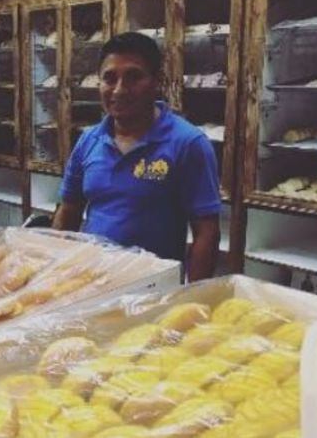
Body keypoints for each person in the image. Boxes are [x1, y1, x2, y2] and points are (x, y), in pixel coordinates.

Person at [53, 33, 221, 281]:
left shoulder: (187, 143)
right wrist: (54, 274)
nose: (120, 90)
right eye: (109, 79)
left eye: (134, 77)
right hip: (92, 281)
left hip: (153, 288)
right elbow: (69, 210)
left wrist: (192, 297)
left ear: (157, 81)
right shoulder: (89, 140)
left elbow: (206, 232)